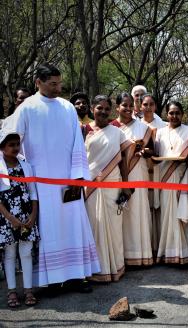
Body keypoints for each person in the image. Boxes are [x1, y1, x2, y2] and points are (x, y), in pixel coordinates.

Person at [4, 63, 99, 291]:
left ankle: (77, 276)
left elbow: (78, 142)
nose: (58, 88)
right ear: (38, 82)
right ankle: (52, 281)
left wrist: (77, 176)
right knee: (49, 230)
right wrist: (23, 173)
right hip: (41, 184)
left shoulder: (67, 108)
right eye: (53, 84)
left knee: (73, 226)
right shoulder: (27, 108)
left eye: (60, 83)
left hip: (68, 180)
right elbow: (10, 140)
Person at [84, 95, 132, 282]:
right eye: (99, 108)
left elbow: (123, 163)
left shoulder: (117, 132)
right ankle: (95, 271)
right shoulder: (83, 131)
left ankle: (115, 267)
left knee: (113, 228)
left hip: (113, 184)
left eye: (106, 109)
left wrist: (126, 186)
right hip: (90, 186)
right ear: (92, 108)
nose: (103, 112)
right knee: (93, 227)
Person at [111, 92, 154, 266]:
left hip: (137, 172)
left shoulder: (143, 128)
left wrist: (145, 152)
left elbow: (152, 150)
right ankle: (119, 256)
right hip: (114, 175)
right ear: (117, 107)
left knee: (136, 211)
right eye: (124, 105)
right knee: (118, 212)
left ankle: (138, 255)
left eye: (131, 105)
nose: (128, 108)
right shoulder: (111, 127)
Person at [154, 102, 188, 264]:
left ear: (183, 114)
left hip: (182, 176)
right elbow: (157, 155)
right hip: (165, 177)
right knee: (167, 214)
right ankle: (168, 252)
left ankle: (186, 253)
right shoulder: (159, 132)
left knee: (182, 213)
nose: (174, 116)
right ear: (166, 114)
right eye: (171, 113)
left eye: (177, 113)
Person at [0, 132, 39, 307]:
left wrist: (33, 216)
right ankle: (12, 291)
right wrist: (9, 218)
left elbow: (32, 192)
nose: (16, 148)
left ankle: (29, 290)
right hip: (7, 218)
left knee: (26, 253)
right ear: (2, 147)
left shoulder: (26, 166)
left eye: (17, 144)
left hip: (25, 216)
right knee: (9, 255)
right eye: (11, 145)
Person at [139, 93, 167, 257]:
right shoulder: (137, 125)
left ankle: (158, 247)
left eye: (151, 104)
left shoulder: (163, 125)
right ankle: (147, 246)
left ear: (155, 106)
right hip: (142, 169)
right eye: (145, 104)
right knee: (146, 206)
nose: (148, 107)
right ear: (140, 106)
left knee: (158, 207)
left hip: (159, 169)